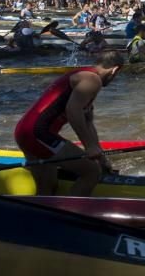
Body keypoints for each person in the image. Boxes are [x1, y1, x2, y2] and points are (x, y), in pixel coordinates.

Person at [13, 50, 124, 197]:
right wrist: (90, 147)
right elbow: (73, 111)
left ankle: (44, 216)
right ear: (114, 69)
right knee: (92, 172)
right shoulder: (92, 80)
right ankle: (70, 213)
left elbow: (88, 122)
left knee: (47, 187)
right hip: (38, 133)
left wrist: (100, 157)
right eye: (116, 75)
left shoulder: (82, 74)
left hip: (24, 131)